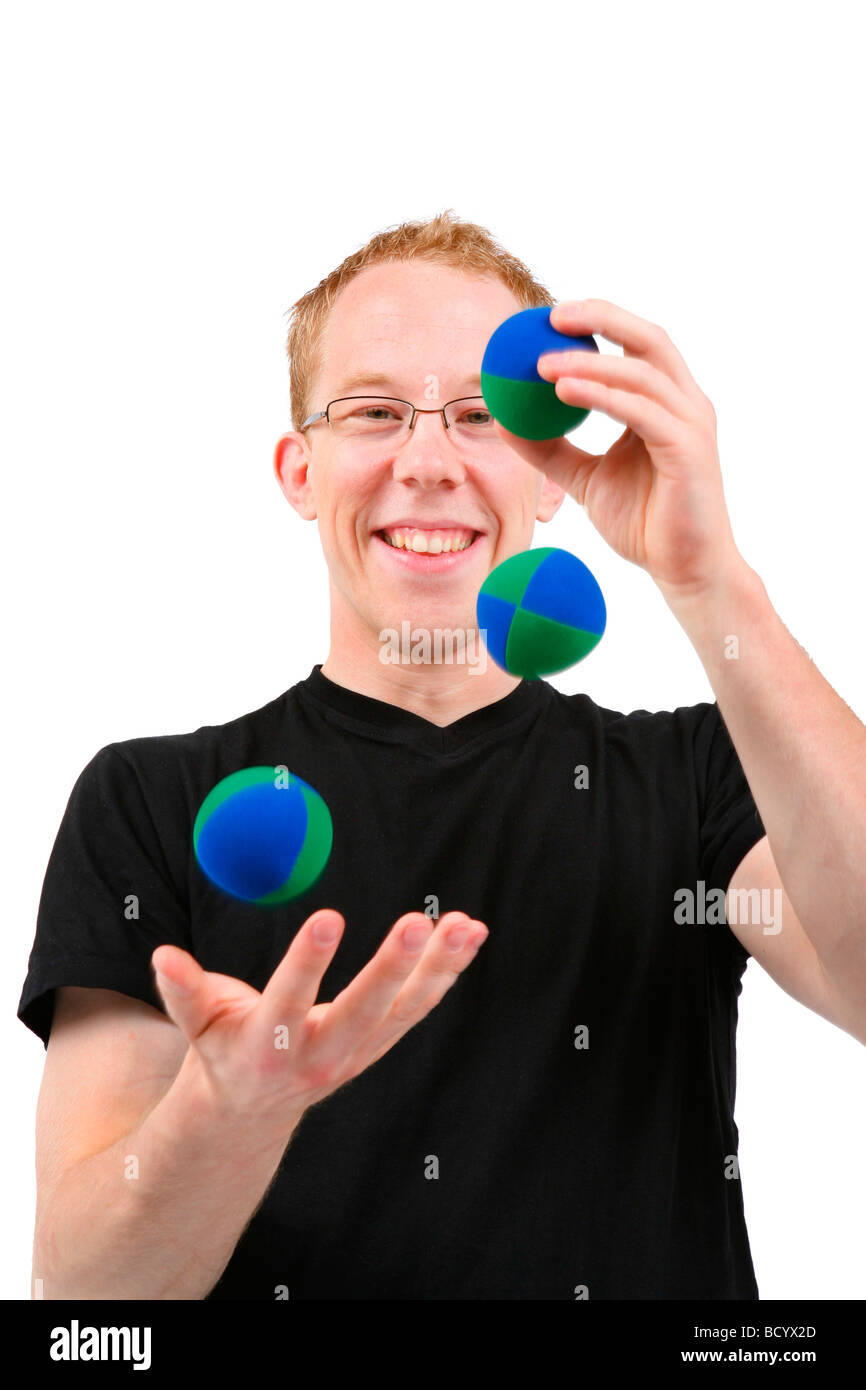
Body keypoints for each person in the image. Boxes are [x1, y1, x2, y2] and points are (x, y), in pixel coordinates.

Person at [18, 210, 866, 1301]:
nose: (425, 461)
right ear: (298, 471)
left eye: (479, 415)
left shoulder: (699, 777)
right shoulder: (148, 801)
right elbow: (85, 1309)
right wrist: (226, 1114)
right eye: (374, 411)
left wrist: (709, 582)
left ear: (550, 474)